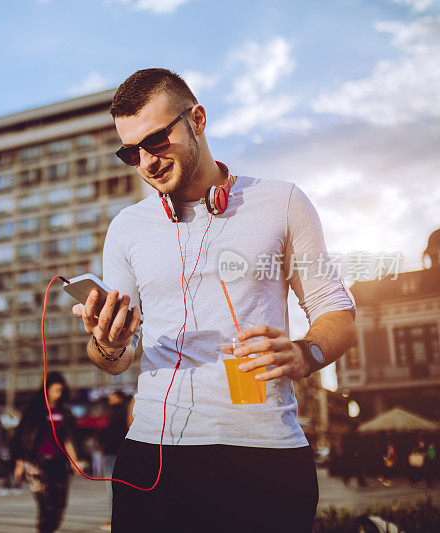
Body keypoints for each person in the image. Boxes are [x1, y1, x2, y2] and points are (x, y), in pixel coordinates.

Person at [71, 68, 357, 533]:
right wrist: (107, 343)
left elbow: (338, 314)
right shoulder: (126, 227)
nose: (146, 161)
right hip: (151, 454)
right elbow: (116, 361)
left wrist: (306, 354)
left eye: (157, 140)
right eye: (131, 152)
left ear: (197, 119)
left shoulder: (282, 202)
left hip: (265, 455)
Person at [12, 372, 81, 533]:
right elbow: (23, 437)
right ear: (47, 390)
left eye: (60, 391)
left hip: (58, 464)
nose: (58, 394)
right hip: (38, 464)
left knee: (60, 505)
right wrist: (19, 463)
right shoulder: (34, 411)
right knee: (46, 506)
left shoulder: (64, 412)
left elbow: (68, 439)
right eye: (55, 390)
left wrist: (74, 461)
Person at [99, 391, 129, 531]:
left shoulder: (118, 413)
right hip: (119, 453)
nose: (109, 398)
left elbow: (112, 434)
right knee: (120, 487)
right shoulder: (123, 411)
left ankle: (114, 520)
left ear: (119, 398)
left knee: (112, 488)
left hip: (114, 453)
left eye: (112, 396)